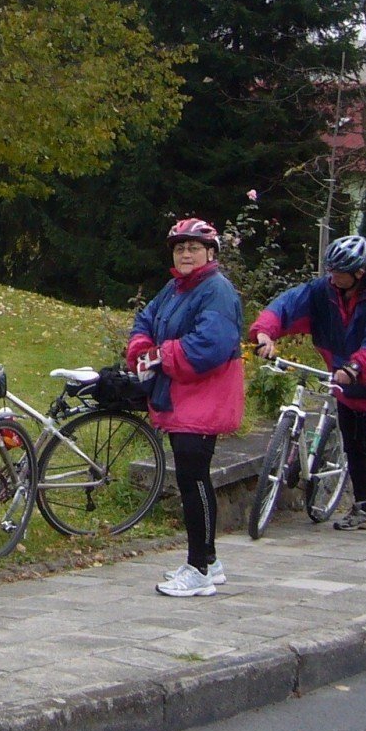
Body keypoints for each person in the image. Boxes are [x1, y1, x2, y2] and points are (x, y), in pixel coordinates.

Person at [252, 234, 366, 543]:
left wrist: (356, 368)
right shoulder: (323, 291)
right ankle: (362, 508)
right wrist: (264, 333)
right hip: (343, 379)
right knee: (352, 445)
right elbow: (286, 305)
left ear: (359, 273)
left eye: (339, 271)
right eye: (330, 269)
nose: (331, 276)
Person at [126, 217, 244, 597]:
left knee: (194, 479)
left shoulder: (217, 291)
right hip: (183, 397)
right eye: (180, 248)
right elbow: (146, 318)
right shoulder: (176, 287)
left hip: (204, 397)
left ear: (210, 252)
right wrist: (141, 347)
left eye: (193, 247)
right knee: (193, 477)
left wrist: (161, 354)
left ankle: (200, 570)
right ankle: (208, 558)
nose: (186, 253)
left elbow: (210, 344)